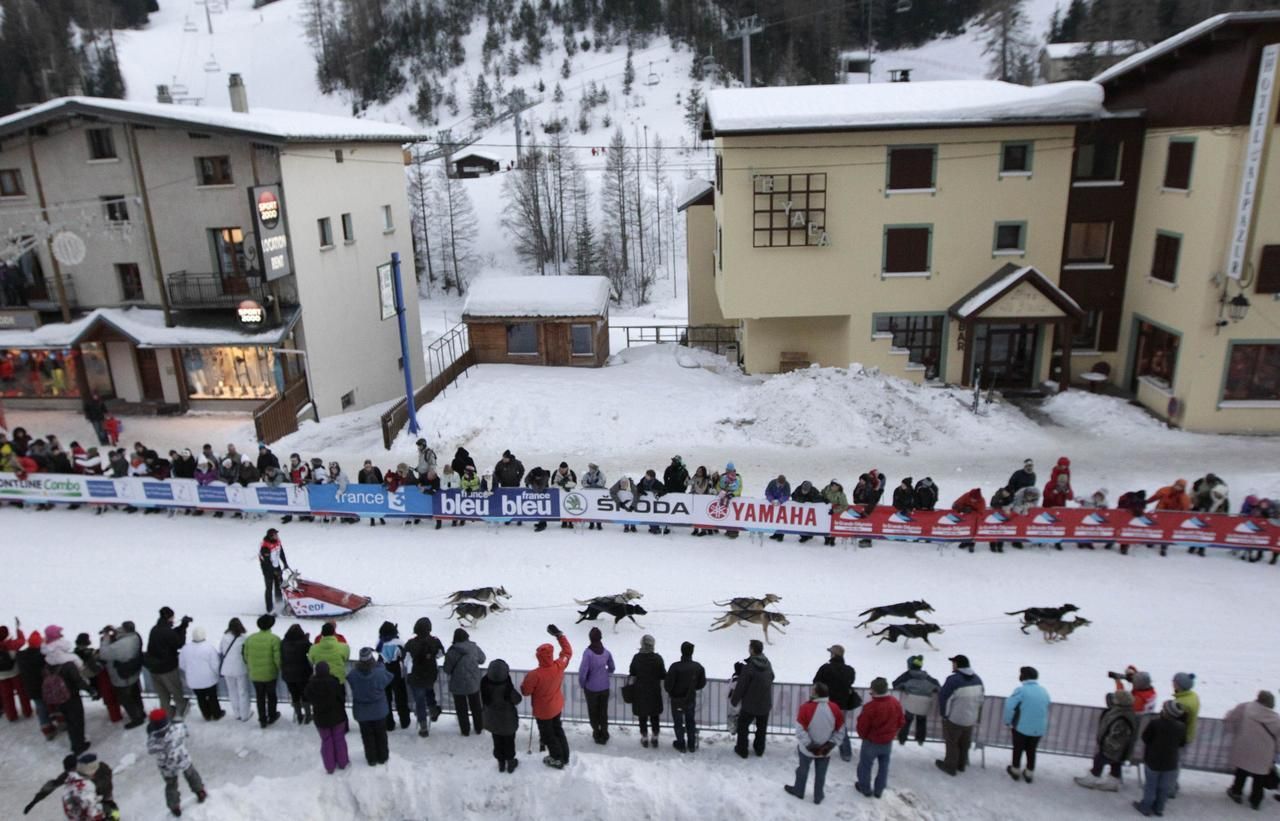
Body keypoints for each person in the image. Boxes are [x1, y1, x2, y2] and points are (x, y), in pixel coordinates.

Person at [784, 682, 845, 806]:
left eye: (813, 690)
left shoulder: (806, 708)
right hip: (825, 751)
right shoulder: (835, 708)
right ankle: (818, 795)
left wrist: (810, 746)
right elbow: (840, 730)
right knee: (821, 774)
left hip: (807, 750)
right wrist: (829, 745)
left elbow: (800, 730)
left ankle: (799, 790)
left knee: (802, 770)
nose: (811, 692)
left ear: (816, 693)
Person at [520, 624, 573, 769]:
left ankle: (557, 758)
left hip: (543, 712)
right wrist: (559, 635)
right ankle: (565, 756)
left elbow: (525, 691)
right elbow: (567, 652)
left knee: (549, 735)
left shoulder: (534, 675)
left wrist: (523, 685)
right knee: (558, 730)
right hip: (556, 706)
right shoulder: (559, 666)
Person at [146, 707, 207, 816]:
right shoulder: (177, 729)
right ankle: (200, 791)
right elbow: (185, 731)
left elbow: (150, 750)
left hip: (166, 765)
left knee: (171, 784)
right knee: (191, 774)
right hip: (182, 758)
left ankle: (174, 806)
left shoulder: (153, 740)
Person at [1225, 691, 1280, 809]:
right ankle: (1256, 800)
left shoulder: (1245, 707)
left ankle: (1236, 792)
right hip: (1264, 754)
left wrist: (1235, 732)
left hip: (1244, 748)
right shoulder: (1277, 719)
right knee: (1259, 777)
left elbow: (1230, 719)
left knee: (1241, 771)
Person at [1074, 689, 1138, 791]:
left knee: (1099, 760)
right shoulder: (1127, 712)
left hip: (1114, 748)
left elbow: (1118, 736)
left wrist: (1108, 744)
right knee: (1116, 763)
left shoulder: (1122, 716)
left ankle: (1092, 778)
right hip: (1121, 749)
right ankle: (1113, 782)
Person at [42, 626, 92, 755]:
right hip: (71, 695)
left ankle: (74, 742)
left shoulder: (47, 660)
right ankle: (79, 745)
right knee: (77, 720)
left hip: (58, 695)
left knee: (69, 720)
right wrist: (90, 690)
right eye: (60, 633)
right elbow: (78, 680)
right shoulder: (68, 662)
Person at [1135, 700, 1187, 817]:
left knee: (1150, 785)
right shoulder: (1181, 727)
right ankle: (1159, 808)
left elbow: (1145, 738)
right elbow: (1182, 743)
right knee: (1164, 787)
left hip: (1153, 760)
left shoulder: (1155, 724)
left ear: (1166, 712)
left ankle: (1146, 807)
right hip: (1171, 762)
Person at [856, 677, 905, 799]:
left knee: (865, 766)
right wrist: (893, 732)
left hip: (871, 742)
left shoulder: (870, 707)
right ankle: (879, 790)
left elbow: (862, 726)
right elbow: (901, 721)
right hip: (887, 742)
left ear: (874, 690)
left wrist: (864, 736)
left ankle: (865, 788)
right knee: (884, 767)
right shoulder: (895, 702)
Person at [935, 654, 984, 776]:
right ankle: (961, 764)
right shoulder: (978, 679)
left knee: (952, 742)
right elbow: (981, 699)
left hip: (955, 718)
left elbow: (944, 698)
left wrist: (945, 715)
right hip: (971, 718)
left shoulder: (953, 680)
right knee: (964, 743)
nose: (952, 665)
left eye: (953, 663)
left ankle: (950, 766)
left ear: (957, 665)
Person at [1003, 666, 1050, 783]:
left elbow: (1009, 706)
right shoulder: (1043, 690)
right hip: (1039, 728)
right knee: (1031, 750)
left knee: (1018, 748)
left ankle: (1015, 770)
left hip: (1022, 726)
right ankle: (1029, 773)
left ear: (1024, 676)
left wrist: (1007, 721)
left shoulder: (1021, 690)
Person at [348, 648, 393, 766]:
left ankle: (371, 758)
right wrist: (380, 665)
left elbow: (352, 682)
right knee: (381, 734)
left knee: (367, 736)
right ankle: (383, 756)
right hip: (379, 710)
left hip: (362, 712)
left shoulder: (353, 674)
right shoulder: (379, 672)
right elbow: (388, 678)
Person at [813, 645, 858, 761]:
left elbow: (816, 682)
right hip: (842, 704)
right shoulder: (849, 670)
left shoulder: (825, 668)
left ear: (833, 654)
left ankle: (819, 750)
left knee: (822, 727)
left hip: (826, 703)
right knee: (840, 728)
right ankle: (846, 753)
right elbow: (851, 681)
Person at [731, 639, 775, 758]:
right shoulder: (768, 663)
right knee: (761, 728)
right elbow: (772, 676)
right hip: (765, 703)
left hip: (750, 704)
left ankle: (742, 749)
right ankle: (759, 749)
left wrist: (734, 700)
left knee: (743, 726)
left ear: (752, 650)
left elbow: (741, 686)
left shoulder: (749, 667)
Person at [304, 661, 350, 774]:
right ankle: (343, 762)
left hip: (321, 718)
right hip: (337, 716)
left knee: (326, 741)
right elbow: (342, 697)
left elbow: (307, 698)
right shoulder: (335, 682)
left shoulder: (310, 685)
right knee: (339, 739)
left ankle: (329, 767)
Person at [146, 607, 191, 719]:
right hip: (167, 668)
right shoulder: (166, 631)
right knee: (175, 690)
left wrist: (181, 626)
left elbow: (171, 635)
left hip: (154, 669)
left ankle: (167, 713)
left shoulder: (155, 629)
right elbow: (179, 642)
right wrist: (184, 627)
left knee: (162, 694)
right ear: (169, 617)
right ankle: (181, 708)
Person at [98, 621, 145, 728]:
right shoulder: (135, 637)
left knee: (125, 698)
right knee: (135, 695)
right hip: (133, 673)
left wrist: (105, 637)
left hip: (122, 678)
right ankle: (141, 712)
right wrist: (114, 633)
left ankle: (136, 718)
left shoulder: (123, 644)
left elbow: (104, 654)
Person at [480, 659, 523, 773]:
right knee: (509, 742)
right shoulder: (507, 688)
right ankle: (510, 761)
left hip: (492, 721)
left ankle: (501, 762)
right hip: (508, 722)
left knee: (497, 740)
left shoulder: (484, 685)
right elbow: (517, 699)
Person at [404, 617, 444, 737]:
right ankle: (433, 712)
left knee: (419, 702)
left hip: (416, 677)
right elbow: (441, 654)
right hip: (430, 675)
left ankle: (423, 727)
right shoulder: (435, 641)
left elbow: (406, 661)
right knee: (430, 692)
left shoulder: (410, 643)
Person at [665, 641, 706, 753]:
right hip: (690, 699)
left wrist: (673, 692)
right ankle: (691, 744)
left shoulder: (675, 667)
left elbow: (668, 685)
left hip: (677, 700)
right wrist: (693, 688)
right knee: (690, 721)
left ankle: (681, 743)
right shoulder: (698, 667)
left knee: (678, 722)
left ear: (681, 651)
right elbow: (702, 683)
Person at [443, 628, 486, 736]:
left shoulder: (451, 651)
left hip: (458, 685)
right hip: (473, 683)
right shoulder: (473, 647)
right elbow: (482, 659)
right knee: (476, 706)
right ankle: (479, 727)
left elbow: (447, 669)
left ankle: (465, 730)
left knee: (461, 709)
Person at [243, 614, 282, 728]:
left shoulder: (250, 638)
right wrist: (280, 668)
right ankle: (272, 715)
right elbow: (277, 658)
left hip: (255, 674)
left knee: (260, 697)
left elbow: (245, 656)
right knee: (271, 696)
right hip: (270, 674)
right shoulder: (274, 639)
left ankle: (262, 719)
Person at [578, 626, 615, 744]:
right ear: (600, 638)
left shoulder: (588, 653)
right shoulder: (606, 652)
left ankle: (596, 732)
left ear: (590, 638)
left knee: (593, 711)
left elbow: (583, 671)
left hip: (591, 688)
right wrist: (605, 673)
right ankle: (604, 733)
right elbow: (612, 667)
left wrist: (583, 684)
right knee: (603, 711)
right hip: (604, 687)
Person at [178, 627, 224, 721]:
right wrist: (216, 674)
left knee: (200, 698)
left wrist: (190, 671)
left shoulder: (185, 649)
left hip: (193, 680)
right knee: (212, 697)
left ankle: (206, 715)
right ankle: (216, 714)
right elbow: (215, 664)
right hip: (209, 679)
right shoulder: (209, 648)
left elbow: (181, 664)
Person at [628, 634, 666, 747]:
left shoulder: (637, 658)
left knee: (642, 715)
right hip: (654, 691)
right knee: (654, 715)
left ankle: (644, 737)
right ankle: (655, 736)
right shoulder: (658, 658)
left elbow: (632, 672)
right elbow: (663, 674)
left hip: (640, 691)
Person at [894, 654, 940, 747]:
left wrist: (904, 688)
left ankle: (902, 738)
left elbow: (895, 684)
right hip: (925, 702)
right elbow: (937, 686)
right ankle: (920, 739)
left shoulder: (908, 675)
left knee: (907, 720)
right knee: (921, 720)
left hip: (911, 701)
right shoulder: (926, 676)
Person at [18, 631, 56, 739]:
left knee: (41, 708)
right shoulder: (41, 657)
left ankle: (47, 730)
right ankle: (59, 720)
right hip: (45, 686)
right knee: (54, 703)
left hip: (31, 688)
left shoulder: (21, 656)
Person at [1169, 671, 1200, 798]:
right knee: (1176, 763)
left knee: (1173, 763)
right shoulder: (1192, 696)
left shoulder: (1182, 703)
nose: (1172, 684)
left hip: (1180, 738)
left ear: (1179, 685)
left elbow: (1174, 721)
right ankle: (1172, 784)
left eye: (1174, 682)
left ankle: (1170, 787)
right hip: (1187, 735)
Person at [376, 621, 410, 731]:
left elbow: (379, 656)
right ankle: (404, 721)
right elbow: (404, 656)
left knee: (386, 698)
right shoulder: (399, 643)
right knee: (401, 697)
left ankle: (388, 724)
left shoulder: (379, 643)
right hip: (396, 671)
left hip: (383, 670)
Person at [218, 618, 251, 723]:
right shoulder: (244, 638)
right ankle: (245, 714)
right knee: (243, 691)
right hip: (240, 668)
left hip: (227, 668)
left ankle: (237, 713)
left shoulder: (224, 638)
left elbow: (222, 651)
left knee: (232, 691)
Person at [1147, 480, 1191, 556]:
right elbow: (1155, 497)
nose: (1178, 487)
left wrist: (1182, 517)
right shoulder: (1165, 490)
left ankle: (1164, 546)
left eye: (1180, 487)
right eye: (1177, 485)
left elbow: (1186, 508)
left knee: (1168, 531)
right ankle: (1152, 541)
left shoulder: (1184, 497)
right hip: (1160, 513)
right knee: (1156, 527)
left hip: (1172, 516)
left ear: (1183, 488)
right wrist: (1146, 502)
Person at [280, 624, 313, 725]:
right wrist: (306, 639)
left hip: (288, 674)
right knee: (305, 695)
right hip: (303, 674)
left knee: (294, 695)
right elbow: (311, 649)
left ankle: (299, 715)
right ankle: (308, 715)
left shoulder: (283, 643)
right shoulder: (304, 643)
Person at [0, 620, 32, 722]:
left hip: (1, 676)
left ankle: (11, 715)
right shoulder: (11, 644)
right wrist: (18, 631)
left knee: (6, 696)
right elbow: (22, 641)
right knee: (22, 693)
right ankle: (27, 711)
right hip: (15, 673)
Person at [308, 622, 351, 687]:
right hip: (338, 681)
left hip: (320, 681)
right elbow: (346, 658)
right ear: (334, 631)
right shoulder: (344, 647)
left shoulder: (313, 648)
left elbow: (310, 660)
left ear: (322, 633)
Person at [258, 529, 289, 615]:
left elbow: (281, 552)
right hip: (267, 569)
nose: (277, 536)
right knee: (269, 588)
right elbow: (266, 562)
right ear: (271, 536)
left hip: (276, 566)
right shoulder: (265, 546)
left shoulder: (277, 542)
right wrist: (273, 571)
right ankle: (269, 609)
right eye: (275, 535)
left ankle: (279, 603)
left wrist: (285, 563)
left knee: (279, 586)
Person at [952, 488, 986, 553]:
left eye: (975, 500)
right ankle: (965, 542)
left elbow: (981, 512)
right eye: (972, 498)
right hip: (965, 517)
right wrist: (963, 509)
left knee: (973, 531)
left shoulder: (982, 501)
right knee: (965, 529)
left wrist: (972, 512)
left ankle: (972, 544)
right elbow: (957, 503)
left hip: (975, 519)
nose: (973, 500)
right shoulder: (966, 495)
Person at [765, 474, 791, 541]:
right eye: (780, 483)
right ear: (777, 481)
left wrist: (780, 501)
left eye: (782, 484)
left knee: (781, 520)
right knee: (774, 519)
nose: (781, 485)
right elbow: (767, 492)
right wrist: (771, 500)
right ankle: (776, 534)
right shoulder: (772, 482)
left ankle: (781, 535)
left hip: (782, 505)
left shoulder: (787, 485)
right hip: (773, 504)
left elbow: (787, 495)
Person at [821, 480, 847, 546]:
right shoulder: (826, 489)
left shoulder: (841, 494)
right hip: (825, 511)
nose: (834, 487)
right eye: (833, 486)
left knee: (833, 526)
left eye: (836, 486)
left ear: (838, 487)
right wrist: (823, 499)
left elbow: (844, 505)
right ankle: (826, 539)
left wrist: (835, 511)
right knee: (825, 525)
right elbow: (821, 494)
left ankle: (832, 539)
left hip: (835, 512)